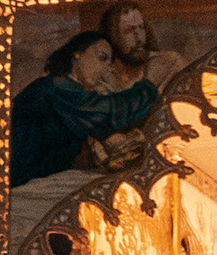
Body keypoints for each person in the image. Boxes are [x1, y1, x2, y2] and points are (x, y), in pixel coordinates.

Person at [9, 31, 159, 188]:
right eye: (101, 57)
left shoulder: (71, 96)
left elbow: (104, 128)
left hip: (46, 182)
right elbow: (110, 112)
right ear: (78, 53)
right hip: (28, 185)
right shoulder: (52, 88)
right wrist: (149, 85)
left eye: (109, 63)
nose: (106, 67)